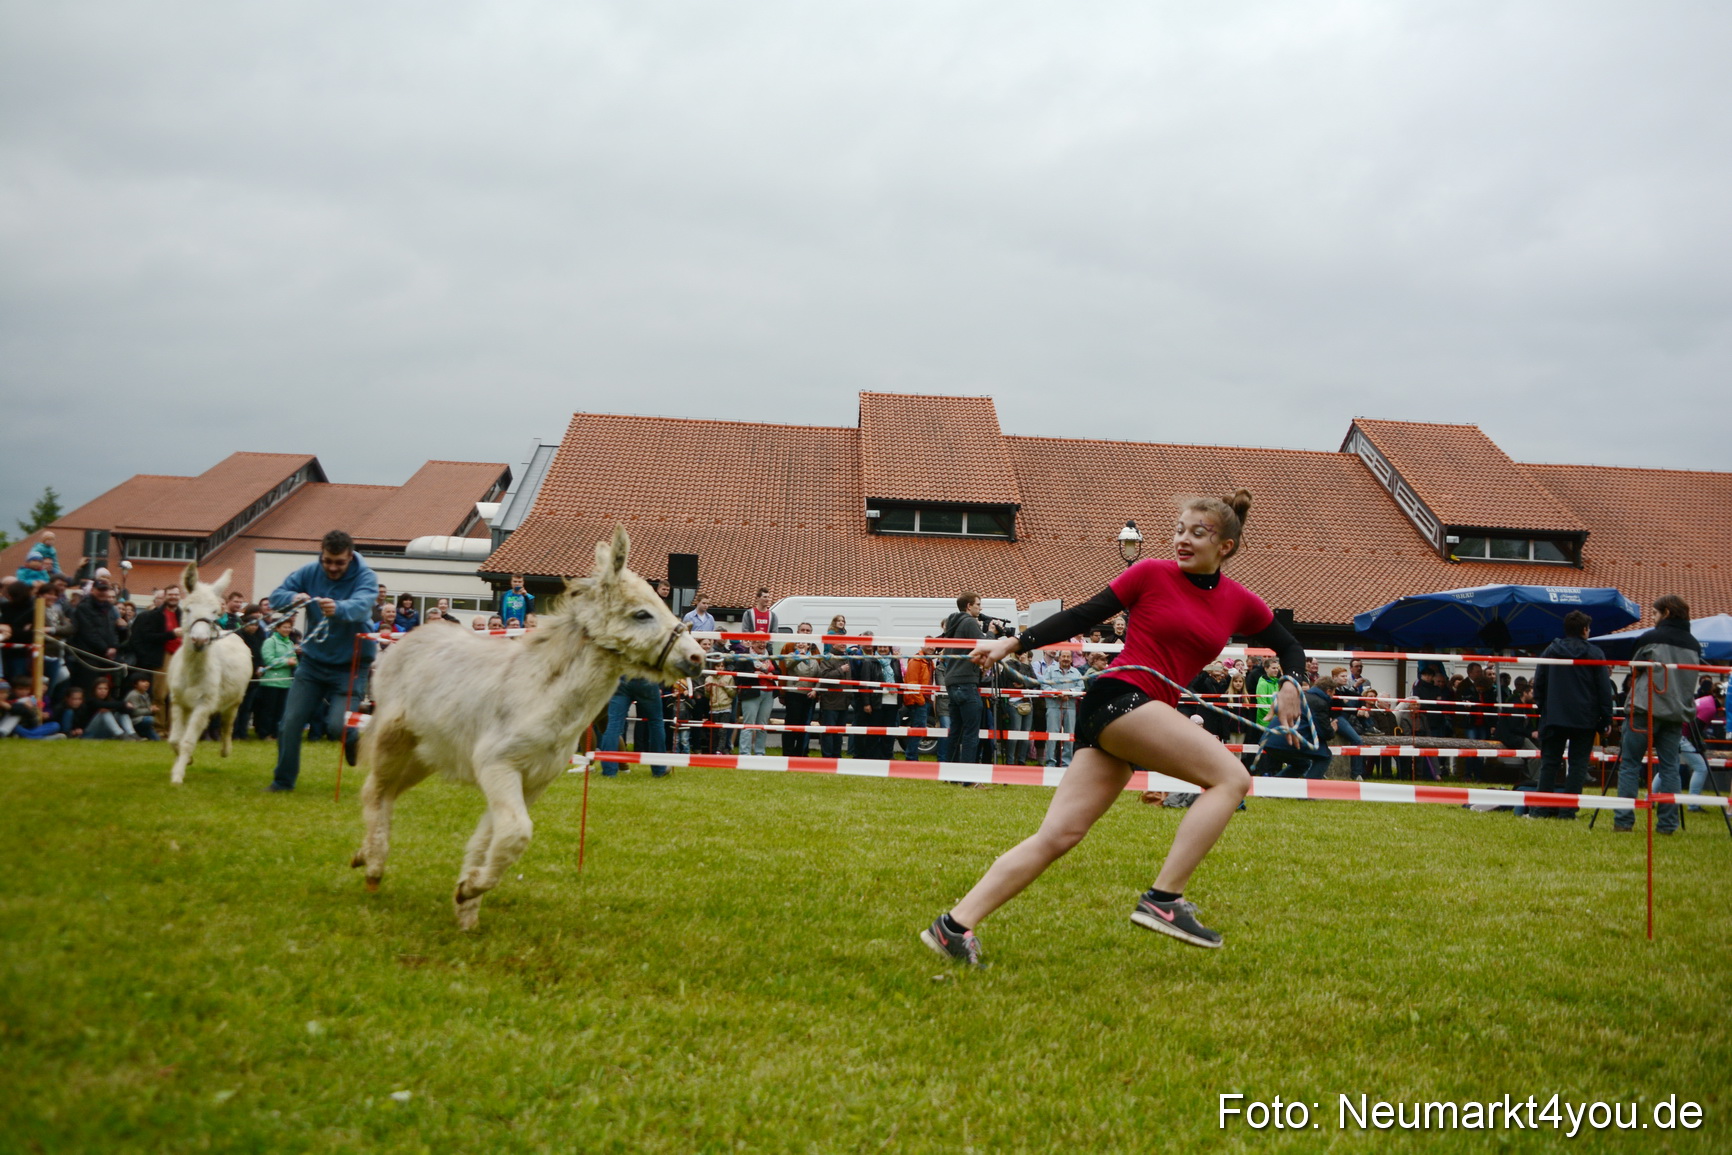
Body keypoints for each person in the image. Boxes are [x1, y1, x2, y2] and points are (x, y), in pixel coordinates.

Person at [921, 491, 1307, 965]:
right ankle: (1164, 900)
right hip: (1120, 698)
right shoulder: (1149, 573)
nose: (1183, 540)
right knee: (1232, 778)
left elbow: (1290, 646)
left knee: (1059, 836)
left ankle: (953, 926)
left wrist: (1291, 683)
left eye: (1198, 533)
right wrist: (1013, 643)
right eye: (1180, 530)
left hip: (1131, 718)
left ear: (1225, 546)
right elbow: (1083, 614)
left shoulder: (1240, 603)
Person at [259, 530, 380, 791]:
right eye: (327, 561)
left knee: (336, 726)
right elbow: (276, 596)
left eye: (339, 562)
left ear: (350, 557)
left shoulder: (366, 577)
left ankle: (352, 738)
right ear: (321, 554)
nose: (332, 567)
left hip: (351, 664)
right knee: (290, 723)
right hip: (313, 663)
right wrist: (293, 598)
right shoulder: (309, 572)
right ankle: (283, 781)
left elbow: (363, 605)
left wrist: (339, 608)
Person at [1613, 596, 1701, 835]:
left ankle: (1623, 822)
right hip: (1675, 713)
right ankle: (1667, 825)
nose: (1653, 619)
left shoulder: (1651, 638)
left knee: (1630, 764)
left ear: (1667, 612)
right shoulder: (1694, 644)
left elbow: (1635, 666)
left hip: (1645, 708)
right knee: (1671, 767)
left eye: (1654, 614)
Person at [1529, 611, 1615, 818]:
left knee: (1549, 764)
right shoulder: (1595, 654)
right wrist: (1606, 718)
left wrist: (1544, 710)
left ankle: (1540, 809)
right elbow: (1603, 689)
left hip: (1554, 717)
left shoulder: (1550, 651)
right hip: (1584, 719)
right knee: (1578, 765)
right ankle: (1568, 811)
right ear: (1585, 630)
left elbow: (1538, 683)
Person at [940, 595, 988, 765]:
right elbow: (985, 645)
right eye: (978, 605)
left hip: (952, 681)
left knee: (955, 731)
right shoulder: (969, 622)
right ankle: (968, 777)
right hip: (966, 681)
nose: (980, 609)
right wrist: (991, 633)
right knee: (970, 733)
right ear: (969, 606)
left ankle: (951, 773)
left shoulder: (953, 624)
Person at [130, 584, 183, 728]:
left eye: (176, 594)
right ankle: (159, 728)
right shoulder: (154, 615)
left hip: (180, 657)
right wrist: (171, 634)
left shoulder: (183, 615)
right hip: (163, 656)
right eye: (170, 594)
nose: (173, 597)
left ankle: (173, 729)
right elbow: (148, 636)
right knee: (160, 694)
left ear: (180, 596)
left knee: (176, 696)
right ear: (165, 596)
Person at [1039, 648, 1085, 767]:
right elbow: (1044, 686)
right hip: (1053, 707)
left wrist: (1069, 692)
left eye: (1068, 657)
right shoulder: (1049, 671)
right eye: (1063, 656)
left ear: (1071, 659)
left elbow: (1081, 687)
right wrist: (1058, 693)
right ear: (1058, 658)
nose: (1065, 659)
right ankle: (1050, 763)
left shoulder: (1076, 673)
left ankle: (1066, 763)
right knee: (1052, 736)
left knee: (1069, 736)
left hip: (1070, 708)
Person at [781, 627, 821, 758]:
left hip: (809, 696)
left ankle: (801, 752)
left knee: (804, 725)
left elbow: (819, 676)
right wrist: (799, 657)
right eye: (799, 642)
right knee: (792, 723)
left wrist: (816, 690)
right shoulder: (791, 655)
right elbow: (788, 666)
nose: (802, 644)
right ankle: (788, 752)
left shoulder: (815, 658)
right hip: (794, 694)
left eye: (805, 642)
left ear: (809, 645)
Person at [743, 588, 778, 654]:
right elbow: (745, 631)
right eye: (765, 597)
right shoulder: (748, 614)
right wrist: (755, 642)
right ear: (758, 598)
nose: (767, 599)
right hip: (751, 649)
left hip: (767, 649)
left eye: (768, 597)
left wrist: (764, 642)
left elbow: (774, 633)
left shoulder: (773, 616)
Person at [124, 674, 159, 740]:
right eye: (143, 681)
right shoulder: (133, 695)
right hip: (134, 720)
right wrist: (150, 710)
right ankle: (138, 732)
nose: (146, 683)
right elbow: (134, 711)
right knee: (150, 720)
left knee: (157, 739)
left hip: (143, 718)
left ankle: (143, 733)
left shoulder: (145, 694)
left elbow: (147, 708)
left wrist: (152, 709)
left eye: (147, 681)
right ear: (135, 684)